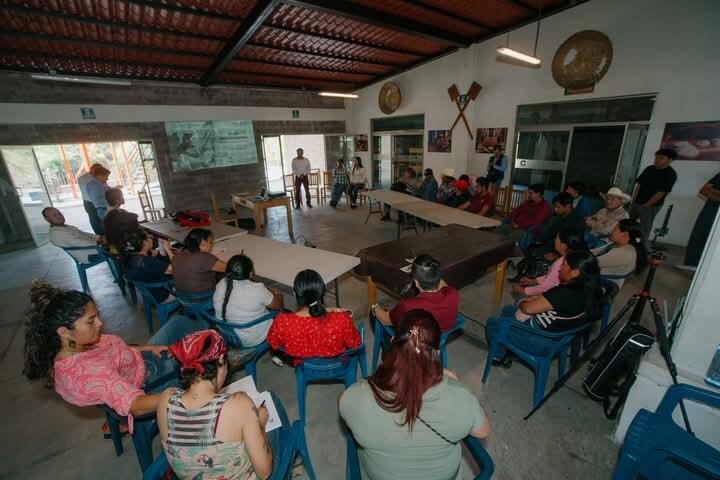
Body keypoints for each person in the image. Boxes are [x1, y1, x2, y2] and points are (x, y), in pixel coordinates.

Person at [22, 282, 206, 428]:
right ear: (63, 331)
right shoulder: (88, 373)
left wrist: (150, 349)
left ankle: (211, 339)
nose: (100, 323)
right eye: (91, 321)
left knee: (178, 323)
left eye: (97, 316)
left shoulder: (75, 344)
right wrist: (183, 396)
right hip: (146, 383)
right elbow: (136, 406)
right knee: (199, 363)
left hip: (137, 362)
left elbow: (116, 349)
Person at [339, 309, 490, 480]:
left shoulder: (362, 396)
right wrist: (454, 381)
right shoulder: (460, 397)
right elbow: (483, 431)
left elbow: (342, 402)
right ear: (437, 354)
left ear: (393, 341)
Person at [157, 330, 273, 480]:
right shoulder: (239, 405)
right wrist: (261, 426)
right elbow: (264, 473)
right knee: (273, 414)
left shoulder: (166, 400)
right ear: (221, 359)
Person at [266, 269, 361, 361]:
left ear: (295, 294)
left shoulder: (282, 322)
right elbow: (355, 344)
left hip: (304, 366)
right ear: (323, 292)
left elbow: (274, 343)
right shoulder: (341, 319)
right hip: (337, 364)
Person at [372, 255, 459, 332]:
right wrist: (426, 269)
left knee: (374, 315)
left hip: (420, 342)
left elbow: (385, 320)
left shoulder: (408, 306)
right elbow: (440, 282)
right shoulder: (452, 293)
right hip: (441, 333)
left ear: (416, 282)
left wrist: (375, 307)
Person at [213, 254, 283, 347]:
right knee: (283, 311)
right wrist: (277, 295)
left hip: (227, 335)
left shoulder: (221, 284)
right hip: (252, 337)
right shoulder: (257, 289)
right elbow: (277, 305)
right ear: (250, 273)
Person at [512, 229, 587, 297]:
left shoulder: (561, 263)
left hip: (553, 296)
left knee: (517, 302)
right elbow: (552, 278)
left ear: (563, 245)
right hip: (556, 292)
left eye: (557, 238)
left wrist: (523, 290)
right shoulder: (571, 258)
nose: (555, 240)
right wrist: (535, 280)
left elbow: (545, 288)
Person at [631, 148, 678, 244]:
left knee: (645, 228)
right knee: (628, 222)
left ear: (669, 160)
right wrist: (634, 199)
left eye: (661, 158)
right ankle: (626, 241)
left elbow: (661, 193)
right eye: (656, 157)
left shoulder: (670, 174)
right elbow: (639, 185)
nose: (657, 160)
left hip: (651, 206)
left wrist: (647, 205)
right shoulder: (649, 169)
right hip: (637, 202)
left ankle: (642, 248)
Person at [679, 171, 720, 270]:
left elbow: (709, 191)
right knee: (699, 236)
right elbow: (704, 190)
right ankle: (692, 264)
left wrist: (714, 192)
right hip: (711, 211)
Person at [122, 229, 174, 303]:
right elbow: (176, 269)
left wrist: (152, 257)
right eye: (149, 237)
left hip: (148, 292)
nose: (151, 238)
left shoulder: (129, 257)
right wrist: (168, 249)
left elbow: (147, 265)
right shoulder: (149, 262)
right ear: (144, 243)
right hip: (162, 294)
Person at [592, 219, 647, 288]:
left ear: (625, 234)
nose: (611, 231)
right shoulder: (619, 244)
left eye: (615, 229)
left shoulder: (623, 253)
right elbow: (596, 251)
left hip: (603, 284)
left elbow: (591, 263)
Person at [171, 228, 226, 294]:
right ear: (202, 243)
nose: (212, 244)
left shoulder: (177, 255)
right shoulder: (204, 257)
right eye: (210, 242)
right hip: (203, 299)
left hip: (183, 298)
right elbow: (229, 268)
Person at [103, 187, 140, 253]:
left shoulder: (108, 213)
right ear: (117, 200)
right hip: (126, 247)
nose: (123, 198)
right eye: (122, 196)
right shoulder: (117, 215)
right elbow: (134, 226)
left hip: (119, 245)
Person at [77, 163, 108, 235]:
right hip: (91, 203)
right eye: (99, 170)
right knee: (96, 221)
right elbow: (103, 188)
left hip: (89, 202)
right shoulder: (89, 179)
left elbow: (105, 187)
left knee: (95, 220)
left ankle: (102, 236)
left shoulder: (84, 178)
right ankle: (102, 236)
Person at [85, 164, 112, 234]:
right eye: (106, 177)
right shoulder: (94, 185)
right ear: (100, 175)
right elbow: (99, 200)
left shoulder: (98, 184)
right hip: (103, 210)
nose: (107, 179)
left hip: (104, 209)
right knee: (109, 230)